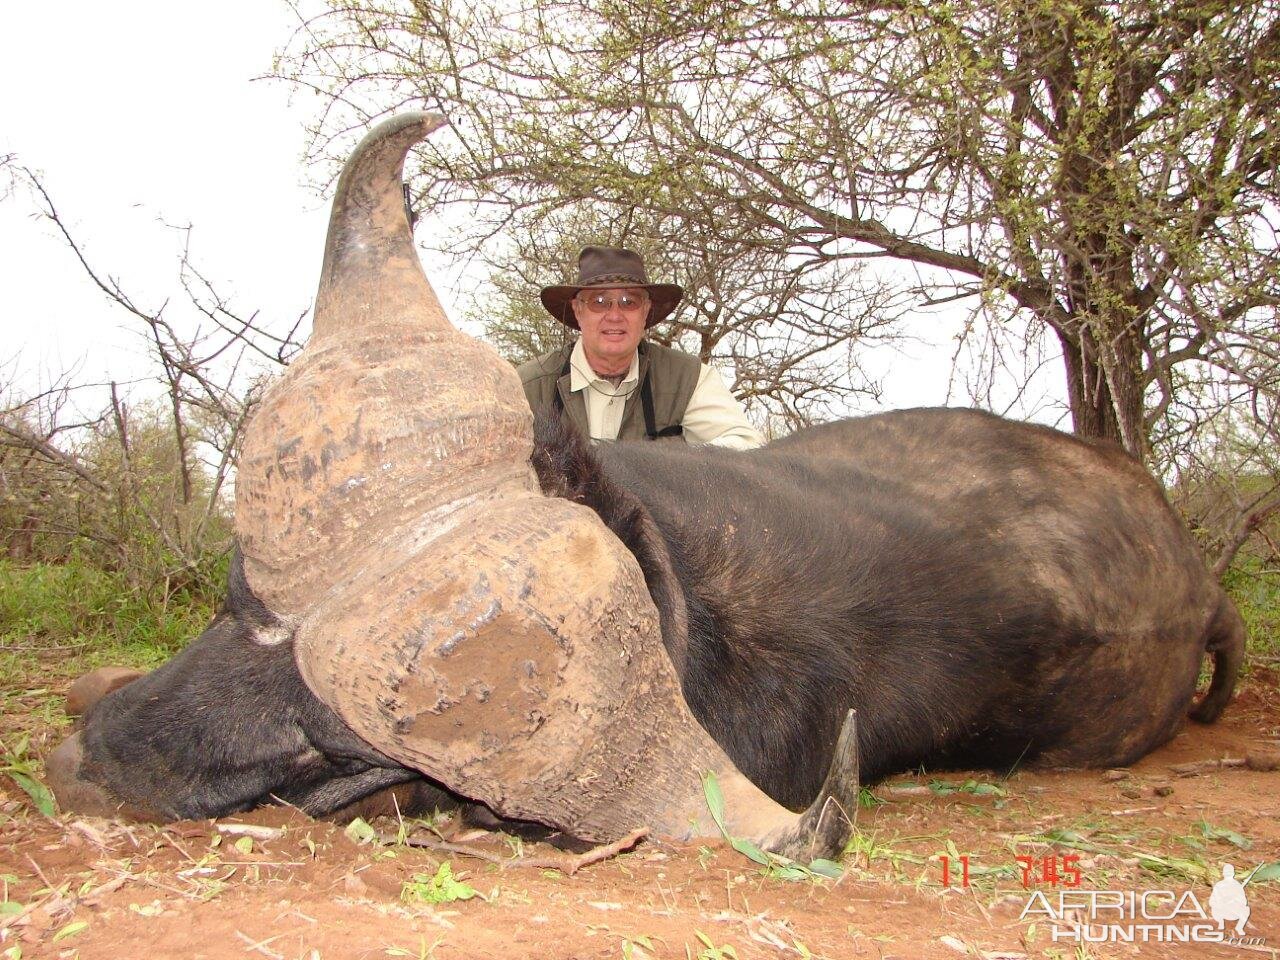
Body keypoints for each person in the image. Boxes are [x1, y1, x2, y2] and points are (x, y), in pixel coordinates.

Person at [517, 246, 764, 449]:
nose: (614, 315)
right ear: (578, 310)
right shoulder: (526, 387)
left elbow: (746, 446)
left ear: (645, 312)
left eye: (629, 302)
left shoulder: (687, 378)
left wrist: (661, 465)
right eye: (599, 302)